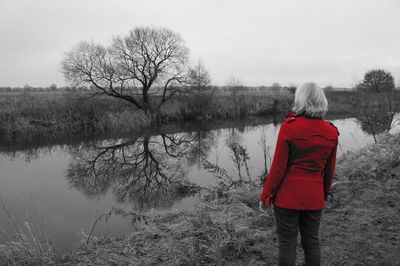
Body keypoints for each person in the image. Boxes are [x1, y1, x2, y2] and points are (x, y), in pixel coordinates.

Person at [259, 82, 339, 266]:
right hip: (314, 197)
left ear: (300, 101)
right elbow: (329, 170)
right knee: (312, 242)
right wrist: (325, 193)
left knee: (287, 245)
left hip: (287, 198)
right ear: (321, 101)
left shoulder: (289, 128)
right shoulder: (332, 132)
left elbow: (278, 169)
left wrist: (265, 196)